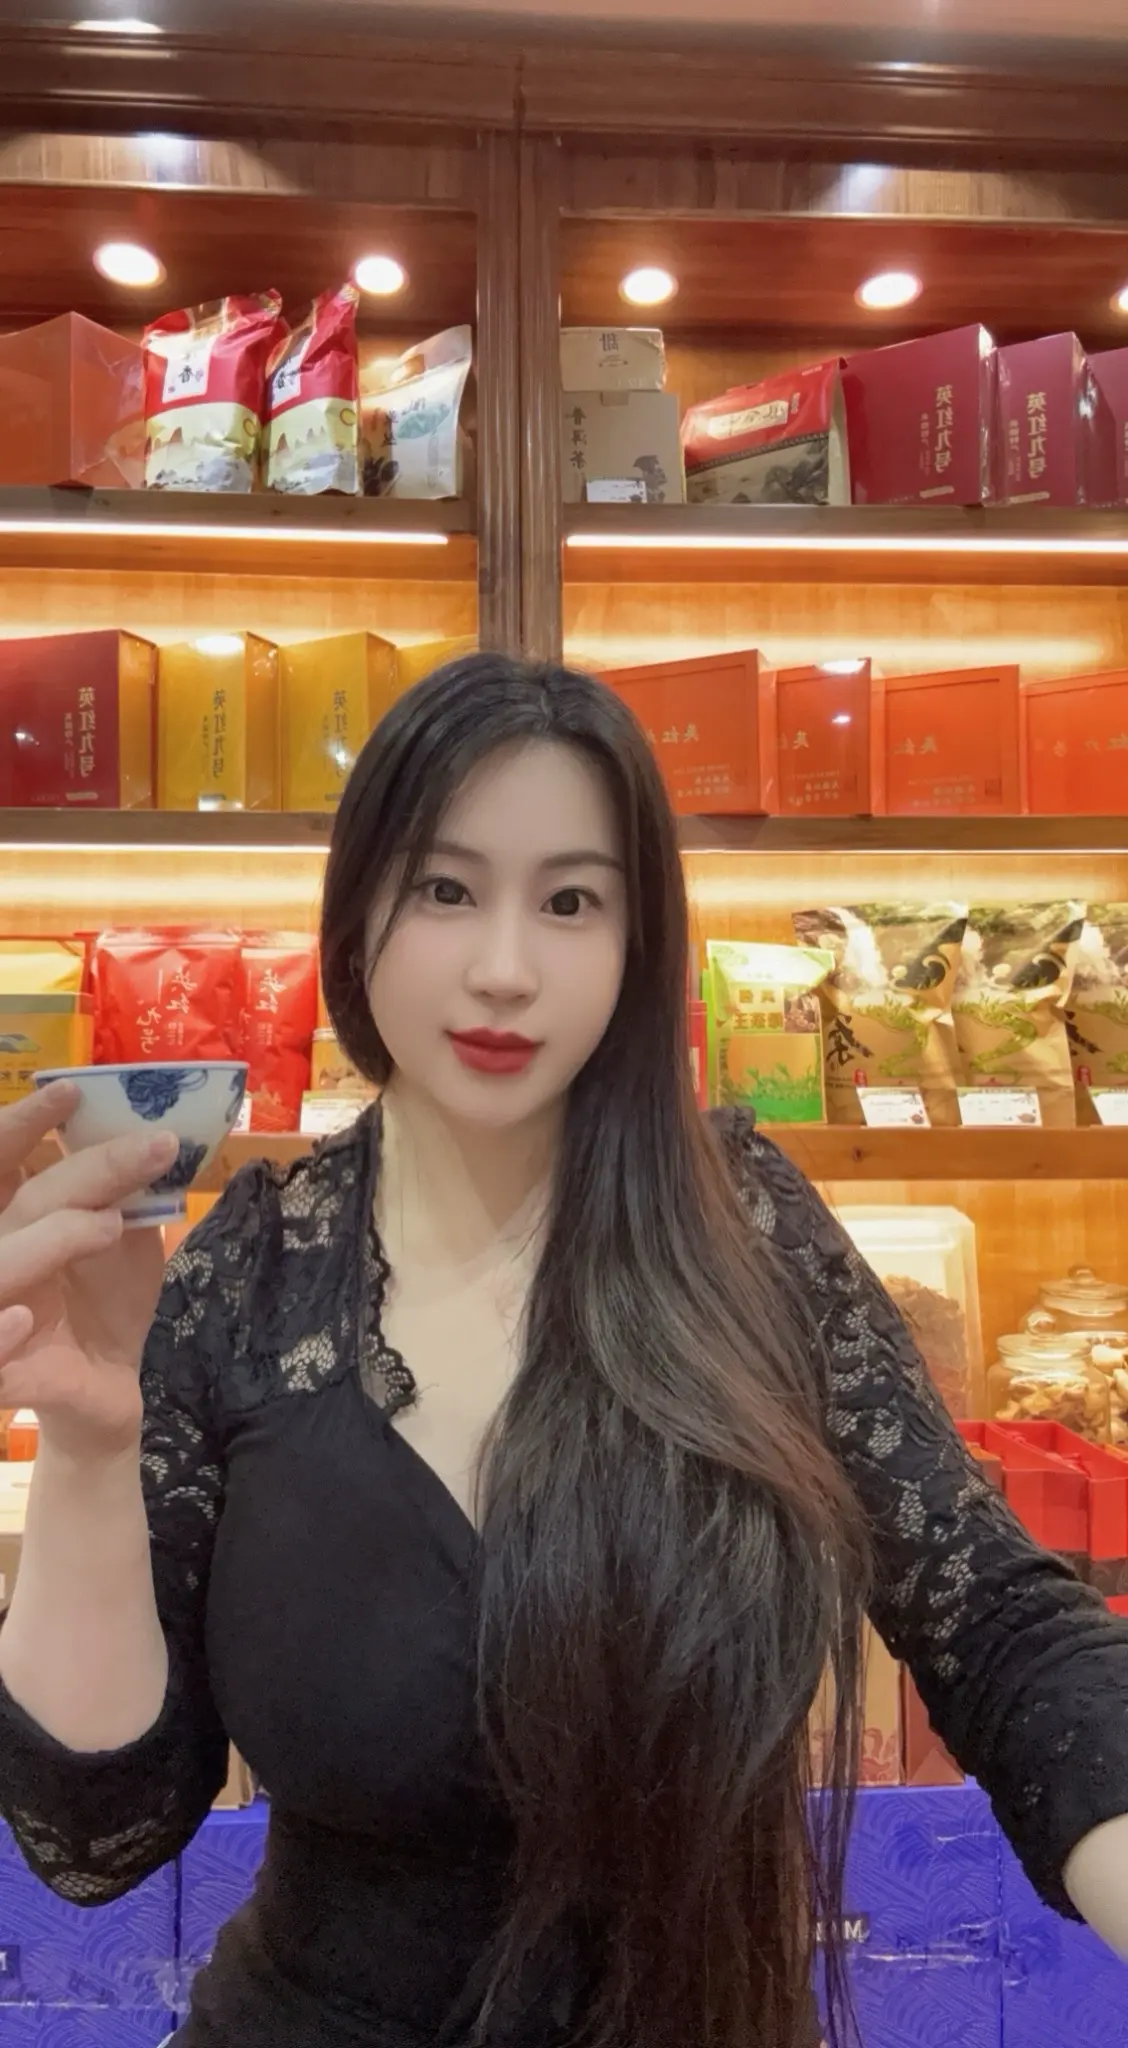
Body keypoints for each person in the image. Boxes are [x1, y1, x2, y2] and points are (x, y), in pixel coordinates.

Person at [0, 653, 1127, 2048]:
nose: (505, 969)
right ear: (358, 915)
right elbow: (96, 1829)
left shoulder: (743, 1229)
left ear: (636, 941)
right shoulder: (251, 1273)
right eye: (445, 889)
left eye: (571, 901)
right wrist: (90, 1446)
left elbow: (1000, 1628)